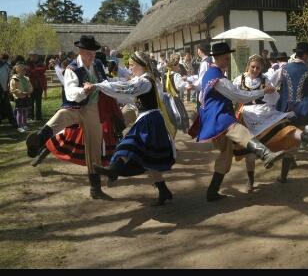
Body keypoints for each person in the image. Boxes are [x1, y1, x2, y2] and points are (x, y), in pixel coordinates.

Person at [193, 42, 286, 202]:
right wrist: (263, 91)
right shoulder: (218, 79)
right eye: (227, 56)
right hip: (219, 117)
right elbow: (240, 96)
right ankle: (265, 154)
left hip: (212, 118)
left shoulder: (210, 74)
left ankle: (212, 191)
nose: (228, 59)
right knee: (239, 130)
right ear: (220, 57)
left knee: (225, 157)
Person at [25, 35, 112, 200]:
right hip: (76, 105)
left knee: (94, 149)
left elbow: (105, 83)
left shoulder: (99, 65)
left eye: (93, 52)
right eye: (88, 52)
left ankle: (95, 188)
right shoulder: (72, 69)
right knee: (62, 115)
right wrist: (84, 91)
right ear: (80, 51)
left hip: (94, 109)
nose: (92, 55)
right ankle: (39, 139)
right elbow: (71, 93)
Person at [88, 51, 177, 205]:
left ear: (140, 65)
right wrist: (104, 84)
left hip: (150, 119)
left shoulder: (145, 81)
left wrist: (98, 85)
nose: (130, 68)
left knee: (129, 144)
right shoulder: (143, 79)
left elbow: (127, 87)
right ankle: (163, 191)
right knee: (149, 157)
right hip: (148, 118)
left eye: (132, 65)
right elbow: (126, 90)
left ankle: (114, 169)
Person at [232, 55, 308, 191]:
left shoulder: (265, 79)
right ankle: (250, 181)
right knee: (249, 152)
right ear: (248, 66)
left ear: (262, 68)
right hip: (247, 114)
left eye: (258, 68)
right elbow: (234, 96)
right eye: (253, 67)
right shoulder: (239, 79)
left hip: (264, 111)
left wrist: (272, 91)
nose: (255, 70)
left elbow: (273, 98)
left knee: (285, 126)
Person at [10, 62, 33, 132]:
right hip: (19, 97)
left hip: (26, 97)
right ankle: (19, 126)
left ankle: (24, 125)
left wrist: (29, 91)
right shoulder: (14, 79)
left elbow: (30, 86)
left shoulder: (26, 78)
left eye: (25, 70)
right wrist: (21, 92)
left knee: (25, 111)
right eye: (23, 70)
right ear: (18, 70)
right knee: (20, 112)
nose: (25, 71)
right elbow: (12, 89)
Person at [26, 52, 47, 121]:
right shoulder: (27, 63)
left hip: (39, 86)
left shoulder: (41, 63)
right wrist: (37, 71)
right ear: (30, 57)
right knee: (30, 103)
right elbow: (28, 72)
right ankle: (30, 116)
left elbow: (43, 70)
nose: (34, 57)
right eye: (32, 56)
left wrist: (34, 71)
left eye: (35, 56)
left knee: (38, 103)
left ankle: (38, 117)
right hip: (30, 86)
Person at [191, 44, 212, 111]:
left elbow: (201, 79)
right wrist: (189, 78)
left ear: (200, 51)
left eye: (198, 50)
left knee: (202, 111)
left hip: (204, 91)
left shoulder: (205, 63)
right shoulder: (209, 60)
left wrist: (193, 86)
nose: (197, 52)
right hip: (209, 89)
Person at [0, 54, 17, 128]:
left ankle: (13, 121)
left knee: (7, 105)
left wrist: (8, 86)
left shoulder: (6, 66)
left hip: (4, 89)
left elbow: (9, 76)